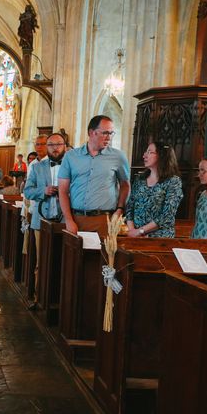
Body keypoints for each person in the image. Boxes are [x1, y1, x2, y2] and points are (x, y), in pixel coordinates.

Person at [58, 115, 130, 234]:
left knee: (103, 253)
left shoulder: (118, 157)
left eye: (112, 133)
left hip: (105, 219)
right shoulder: (71, 156)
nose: (109, 137)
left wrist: (120, 210)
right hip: (76, 218)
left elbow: (125, 185)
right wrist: (69, 220)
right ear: (91, 132)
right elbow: (63, 191)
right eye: (105, 133)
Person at [24, 133, 67, 304]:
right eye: (51, 145)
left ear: (65, 145)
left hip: (66, 220)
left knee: (63, 261)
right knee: (41, 261)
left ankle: (61, 300)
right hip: (41, 219)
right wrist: (44, 191)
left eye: (59, 144)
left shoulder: (72, 166)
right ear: (45, 147)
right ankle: (38, 297)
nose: (55, 148)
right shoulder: (37, 167)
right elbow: (27, 191)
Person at [126, 141, 183, 238]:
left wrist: (141, 231)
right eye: (145, 152)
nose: (144, 156)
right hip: (135, 236)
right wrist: (132, 231)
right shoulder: (140, 179)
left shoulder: (173, 181)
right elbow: (130, 207)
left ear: (162, 156)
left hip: (160, 237)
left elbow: (167, 215)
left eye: (150, 152)